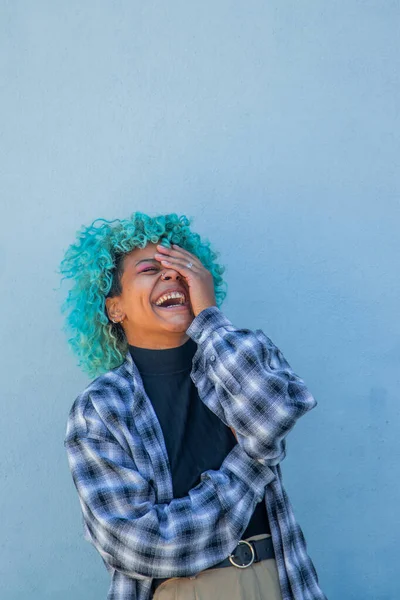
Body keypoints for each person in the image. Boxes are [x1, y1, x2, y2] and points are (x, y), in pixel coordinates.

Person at [60, 211, 327, 600]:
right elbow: (139, 544)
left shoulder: (236, 354)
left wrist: (210, 320)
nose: (171, 275)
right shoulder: (99, 409)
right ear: (114, 307)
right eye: (150, 268)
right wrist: (250, 465)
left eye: (181, 267)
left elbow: (275, 412)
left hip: (275, 582)